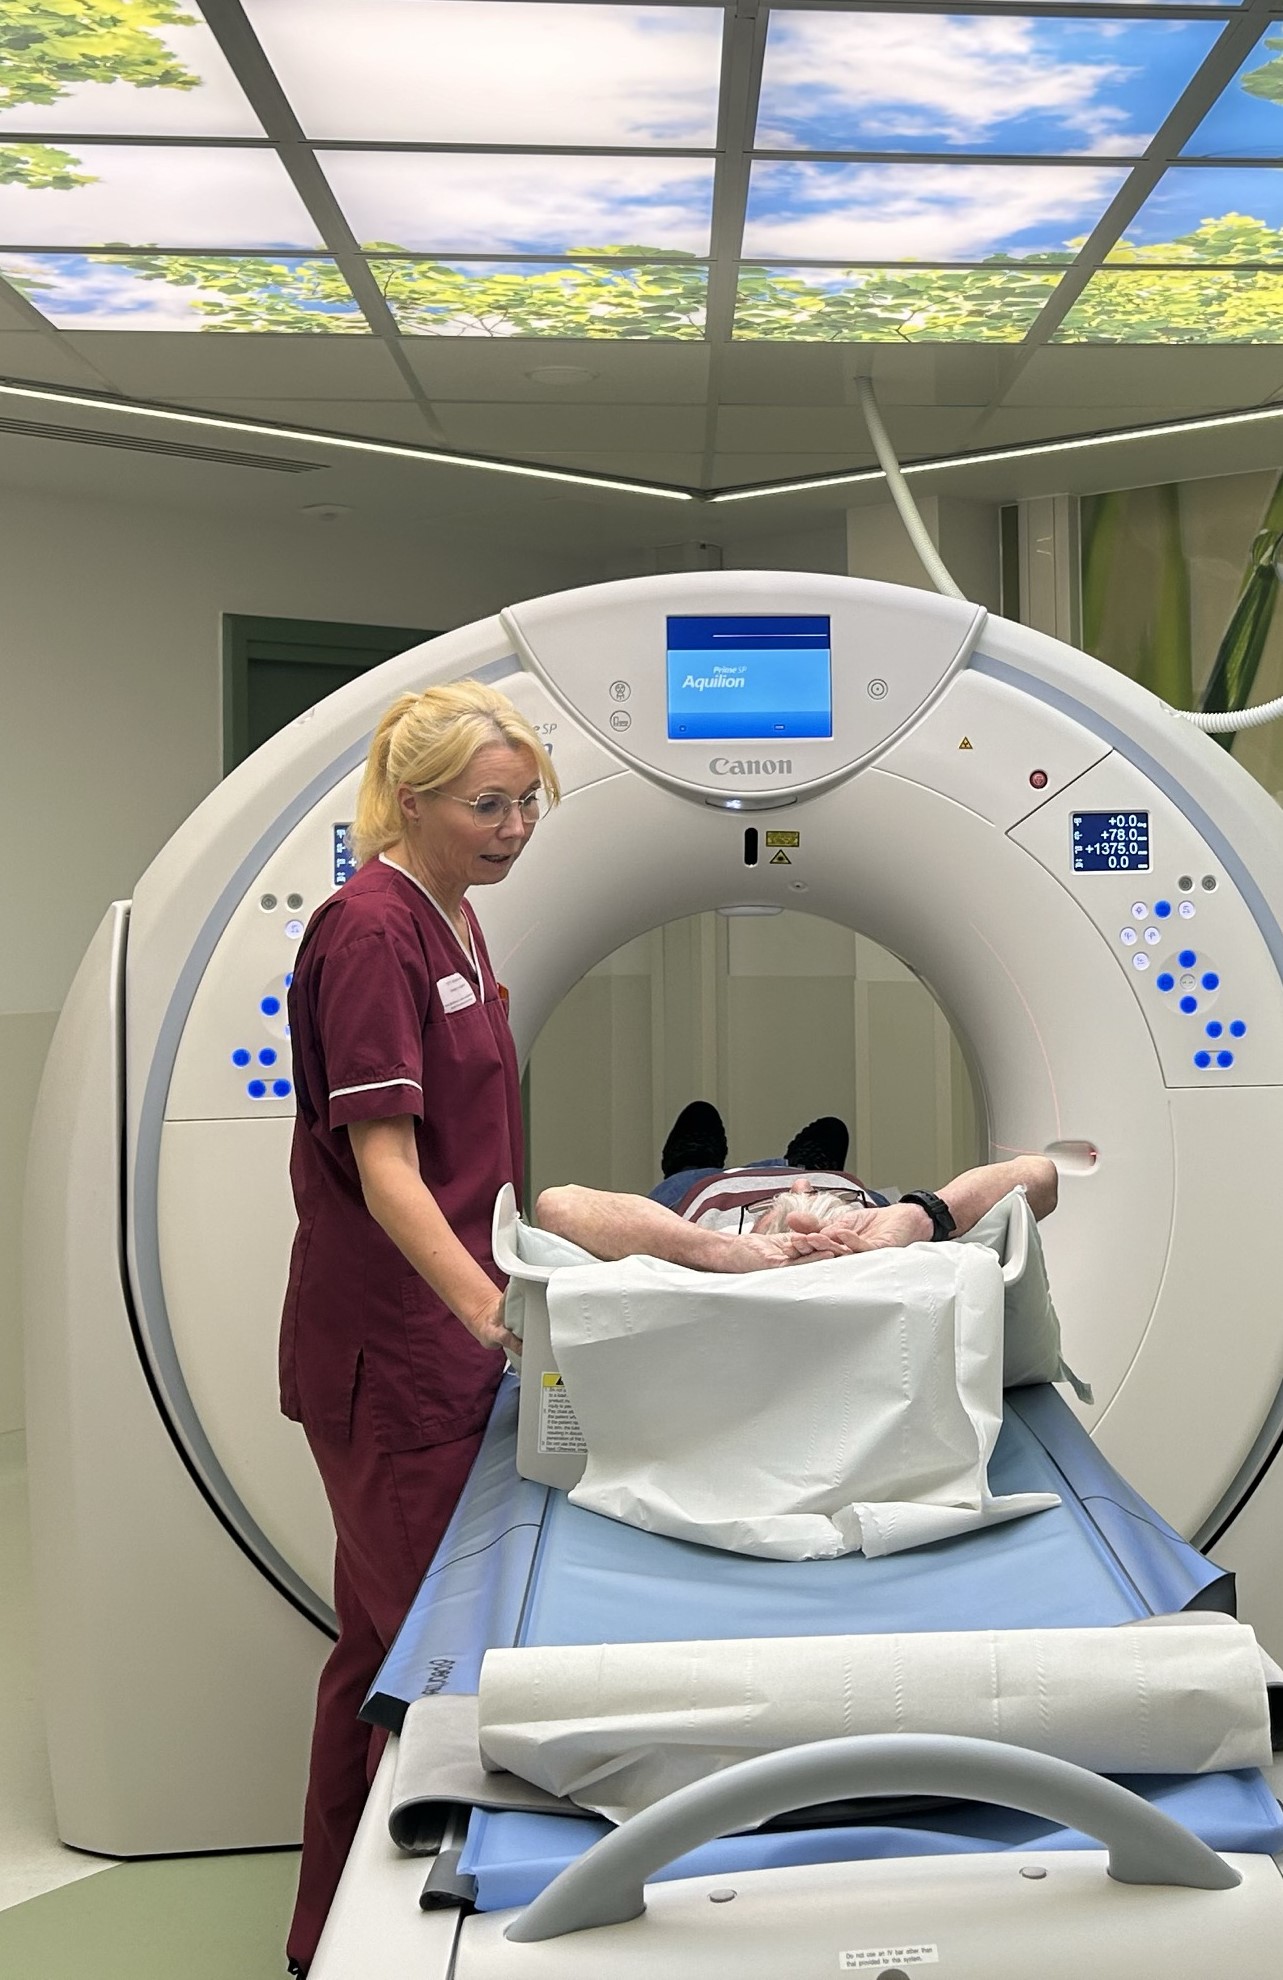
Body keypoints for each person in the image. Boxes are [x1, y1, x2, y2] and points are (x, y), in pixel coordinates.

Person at [279, 679, 559, 1975]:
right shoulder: (369, 934)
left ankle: (322, 1930)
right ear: (411, 800)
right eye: (487, 805)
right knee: (423, 1665)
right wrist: (493, 1315)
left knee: (373, 1652)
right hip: (393, 1352)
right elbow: (389, 1169)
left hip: (441, 1343)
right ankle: (410, 1947)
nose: (513, 828)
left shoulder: (453, 918)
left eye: (526, 803)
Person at [537, 1100, 1058, 1273]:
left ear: (760, 1235)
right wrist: (921, 1216)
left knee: (688, 1167)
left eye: (801, 1196)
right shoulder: (882, 1242)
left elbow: (557, 1205)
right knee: (828, 1149)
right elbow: (1040, 1175)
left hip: (710, 1190)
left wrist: (715, 1249)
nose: (802, 1190)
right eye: (810, 1195)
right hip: (846, 1187)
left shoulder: (717, 1249)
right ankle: (822, 1162)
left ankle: (690, 1162)